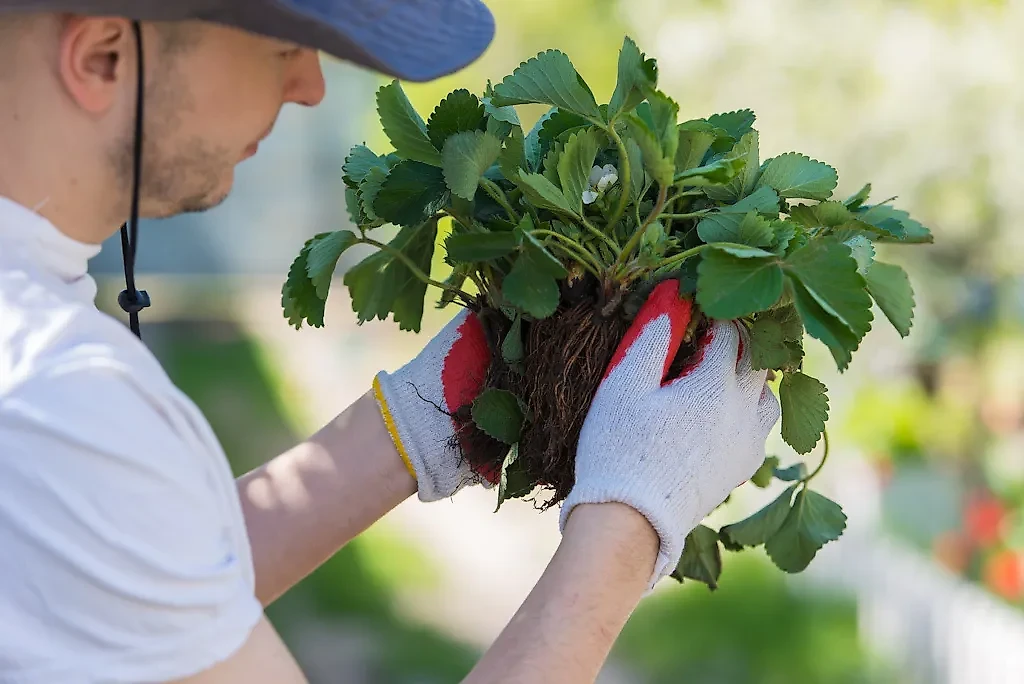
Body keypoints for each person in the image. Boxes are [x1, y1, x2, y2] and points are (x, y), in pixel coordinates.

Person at [0, 2, 781, 682]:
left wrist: (410, 429)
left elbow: (121, 583)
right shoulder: (53, 400)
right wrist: (626, 525)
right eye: (280, 45)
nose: (307, 85)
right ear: (102, 55)